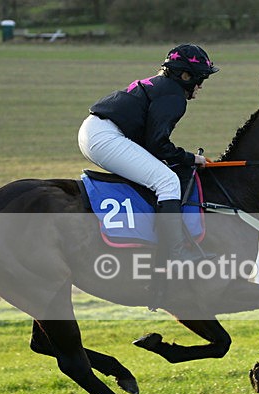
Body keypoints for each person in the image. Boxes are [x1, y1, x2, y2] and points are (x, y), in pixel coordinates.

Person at [78, 43, 219, 263]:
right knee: (167, 182)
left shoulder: (161, 86)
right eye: (200, 79)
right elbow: (157, 144)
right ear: (185, 76)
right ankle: (175, 254)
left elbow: (153, 143)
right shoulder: (174, 97)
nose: (201, 86)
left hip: (95, 131)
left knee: (158, 174)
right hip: (106, 137)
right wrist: (191, 158)